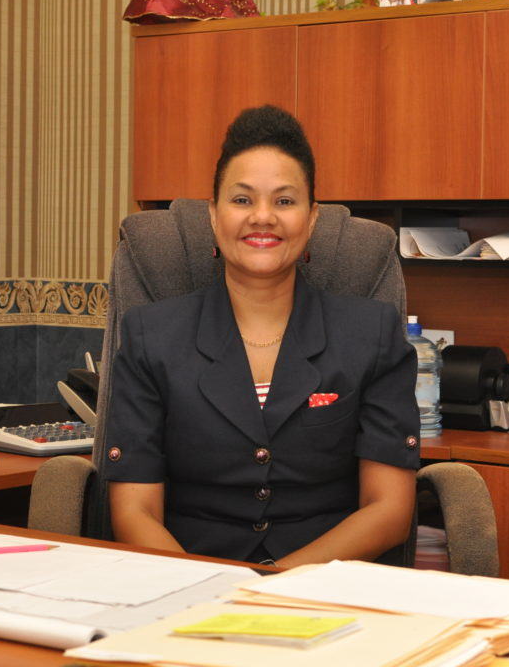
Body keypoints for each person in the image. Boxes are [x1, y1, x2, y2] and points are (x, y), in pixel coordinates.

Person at [105, 106, 419, 568]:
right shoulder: (151, 336)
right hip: (188, 580)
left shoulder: (371, 334)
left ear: (312, 218)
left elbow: (388, 511)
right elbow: (135, 511)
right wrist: (211, 591)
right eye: (242, 199)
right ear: (214, 215)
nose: (263, 217)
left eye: (285, 201)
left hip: (325, 584)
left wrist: (277, 585)